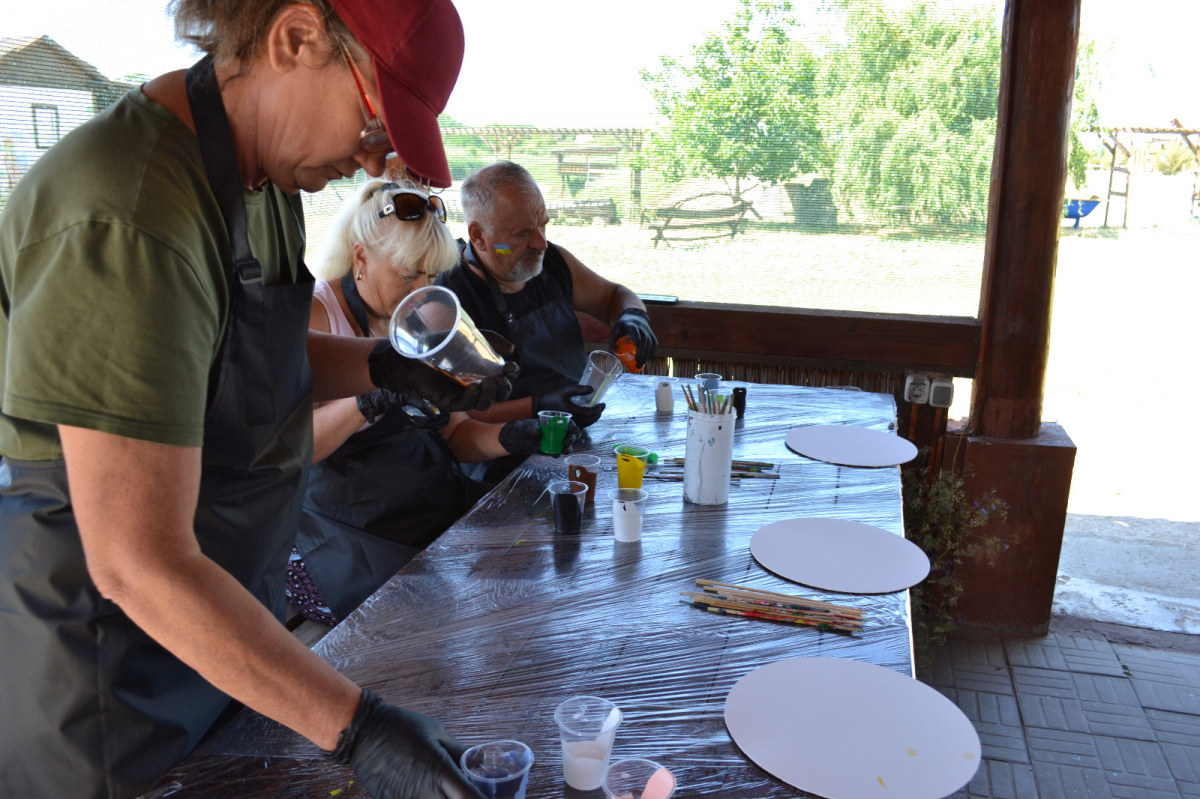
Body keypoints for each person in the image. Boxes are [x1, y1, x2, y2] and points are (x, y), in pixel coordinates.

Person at [0, 1, 507, 797]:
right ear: (295, 38)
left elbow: (233, 354)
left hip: (224, 640)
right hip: (112, 687)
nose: (376, 163)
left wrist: (387, 365)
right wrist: (359, 725)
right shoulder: (132, 213)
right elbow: (137, 560)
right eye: (375, 124)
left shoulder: (257, 177)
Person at [287, 174, 579, 624]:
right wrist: (371, 396)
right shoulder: (317, 316)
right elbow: (290, 452)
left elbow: (457, 434)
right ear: (360, 258)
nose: (419, 289)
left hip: (416, 517)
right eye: (407, 274)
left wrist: (516, 436)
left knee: (526, 576)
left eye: (430, 274)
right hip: (331, 542)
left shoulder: (426, 320)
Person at [437, 161, 659, 430]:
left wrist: (632, 316)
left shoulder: (553, 262)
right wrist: (539, 406)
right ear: (478, 235)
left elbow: (614, 295)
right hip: (503, 452)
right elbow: (462, 417)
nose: (541, 243)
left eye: (543, 226)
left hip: (576, 427)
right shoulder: (449, 298)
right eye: (523, 234)